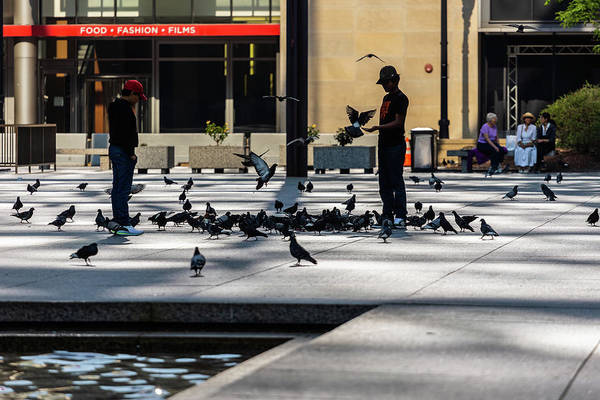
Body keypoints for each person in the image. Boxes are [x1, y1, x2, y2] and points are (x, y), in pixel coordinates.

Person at [362, 66, 409, 228]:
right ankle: (387, 213)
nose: (384, 86)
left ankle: (401, 215)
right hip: (384, 144)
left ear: (394, 81)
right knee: (384, 182)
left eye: (386, 82)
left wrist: (377, 128)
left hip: (395, 145)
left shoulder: (401, 98)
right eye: (382, 83)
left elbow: (398, 123)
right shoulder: (386, 98)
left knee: (396, 180)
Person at [107, 80, 147, 236]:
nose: (138, 100)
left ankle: (119, 221)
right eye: (138, 96)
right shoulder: (124, 109)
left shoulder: (114, 106)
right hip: (123, 151)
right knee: (123, 188)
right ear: (132, 93)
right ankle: (123, 223)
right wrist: (131, 152)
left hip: (115, 149)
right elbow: (124, 133)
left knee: (118, 187)